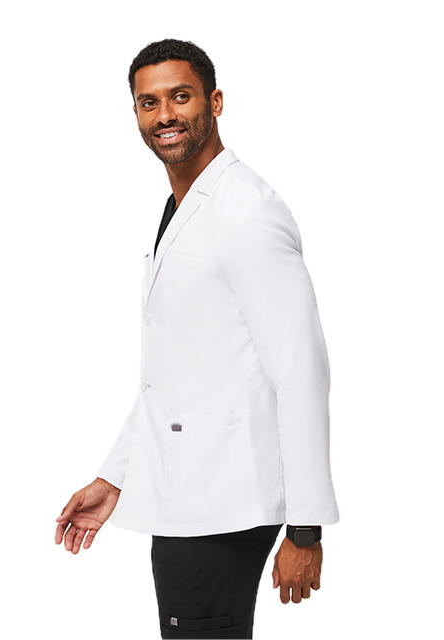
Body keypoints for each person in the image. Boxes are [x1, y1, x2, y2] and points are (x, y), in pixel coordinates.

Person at [55, 38, 340, 639]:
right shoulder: (182, 207)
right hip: (189, 499)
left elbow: (301, 370)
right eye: (148, 102)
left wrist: (306, 527)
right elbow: (176, 375)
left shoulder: (245, 210)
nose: (165, 115)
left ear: (214, 101)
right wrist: (116, 477)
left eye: (180, 97)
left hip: (225, 505)